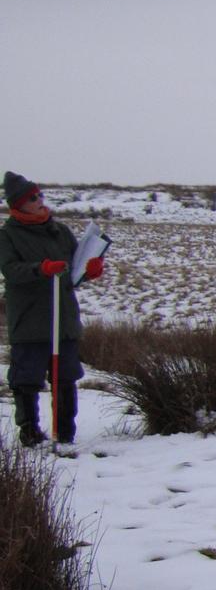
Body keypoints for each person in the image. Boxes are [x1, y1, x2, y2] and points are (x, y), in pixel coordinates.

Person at [2, 171, 104, 447]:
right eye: (32, 197)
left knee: (67, 376)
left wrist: (90, 270)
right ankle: (30, 431)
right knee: (27, 379)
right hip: (29, 321)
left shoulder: (60, 231)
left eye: (39, 195)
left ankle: (65, 432)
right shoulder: (8, 235)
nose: (39, 200)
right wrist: (41, 269)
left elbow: (74, 267)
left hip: (64, 318)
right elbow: (11, 271)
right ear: (18, 204)